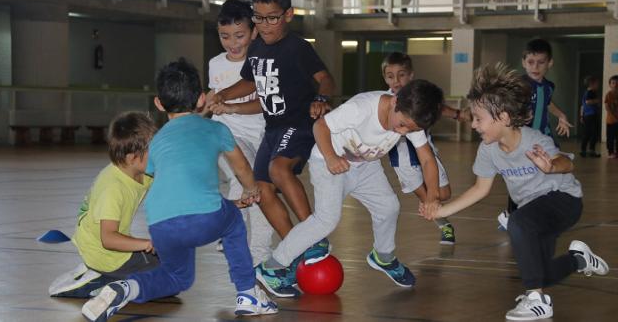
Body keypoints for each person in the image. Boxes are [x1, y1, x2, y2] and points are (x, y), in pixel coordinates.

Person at [81, 58, 277, 321]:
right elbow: (241, 168)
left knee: (177, 277)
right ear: (201, 99)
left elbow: (154, 173)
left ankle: (125, 288)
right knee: (233, 224)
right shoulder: (217, 128)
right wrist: (250, 190)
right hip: (204, 217)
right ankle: (247, 293)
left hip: (161, 223)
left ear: (159, 104)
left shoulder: (158, 139)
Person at [420, 63, 609, 321]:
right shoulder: (488, 150)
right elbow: (480, 189)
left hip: (564, 200)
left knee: (517, 222)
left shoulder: (534, 140)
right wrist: (441, 211)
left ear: (504, 118)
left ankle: (537, 300)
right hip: (535, 211)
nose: (473, 125)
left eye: (478, 118)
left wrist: (551, 165)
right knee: (542, 272)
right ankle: (579, 260)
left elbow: (569, 164)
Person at [256, 80, 444, 296]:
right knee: (326, 220)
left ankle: (383, 257)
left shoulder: (411, 116)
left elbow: (427, 160)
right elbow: (320, 126)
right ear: (394, 101)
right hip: (330, 163)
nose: (403, 132)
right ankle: (271, 266)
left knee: (389, 206)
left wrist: (432, 196)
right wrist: (330, 157)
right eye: (402, 125)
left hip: (366, 166)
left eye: (410, 130)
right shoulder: (362, 108)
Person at [209, 0, 335, 297]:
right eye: (259, 17)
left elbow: (325, 79)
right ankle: (294, 251)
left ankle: (314, 235)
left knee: (279, 170)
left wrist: (321, 98)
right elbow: (249, 83)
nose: (264, 25)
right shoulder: (257, 48)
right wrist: (220, 95)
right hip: (274, 128)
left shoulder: (298, 48)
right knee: (261, 189)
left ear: (289, 15)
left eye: (272, 17)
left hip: (300, 122)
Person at [49, 112, 159, 299]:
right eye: (153, 149)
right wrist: (147, 243)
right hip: (104, 252)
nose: (159, 153)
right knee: (169, 278)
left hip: (102, 247)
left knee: (173, 266)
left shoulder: (141, 171)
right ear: (133, 158)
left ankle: (99, 273)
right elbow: (108, 239)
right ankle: (96, 283)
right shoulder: (112, 188)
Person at [209, 0, 273, 265]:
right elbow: (215, 99)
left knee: (262, 195)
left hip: (258, 136)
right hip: (225, 135)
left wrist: (232, 108)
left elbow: (263, 103)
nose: (232, 43)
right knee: (241, 176)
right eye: (225, 37)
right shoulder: (215, 63)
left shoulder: (263, 63)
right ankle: (229, 229)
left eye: (239, 35)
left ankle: (259, 256)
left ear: (253, 32)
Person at [381, 52, 468, 245]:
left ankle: (438, 213)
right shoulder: (387, 101)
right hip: (402, 159)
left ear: (411, 75)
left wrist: (457, 114)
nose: (396, 80)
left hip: (425, 151)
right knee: (428, 197)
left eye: (401, 74)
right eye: (390, 75)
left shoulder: (419, 96)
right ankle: (444, 225)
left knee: (444, 194)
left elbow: (437, 108)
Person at [497, 38, 573, 230]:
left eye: (541, 62)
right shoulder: (519, 85)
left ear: (550, 63)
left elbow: (548, 103)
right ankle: (511, 216)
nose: (535, 66)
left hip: (543, 138)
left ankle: (535, 213)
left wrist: (561, 115)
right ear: (524, 62)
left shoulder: (549, 86)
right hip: (523, 139)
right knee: (521, 177)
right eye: (531, 62)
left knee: (549, 171)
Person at [579, 75, 602, 158]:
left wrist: (581, 116)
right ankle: (591, 150)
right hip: (592, 115)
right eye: (597, 83)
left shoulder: (586, 93)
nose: (598, 85)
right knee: (594, 133)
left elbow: (582, 105)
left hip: (587, 115)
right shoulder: (591, 92)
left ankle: (583, 150)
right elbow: (588, 102)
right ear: (592, 84)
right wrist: (597, 101)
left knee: (587, 133)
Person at [605, 75, 618, 158]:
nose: (616, 85)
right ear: (610, 84)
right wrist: (614, 115)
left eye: (617, 83)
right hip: (611, 121)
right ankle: (610, 152)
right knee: (610, 138)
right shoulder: (609, 94)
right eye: (613, 83)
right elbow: (607, 106)